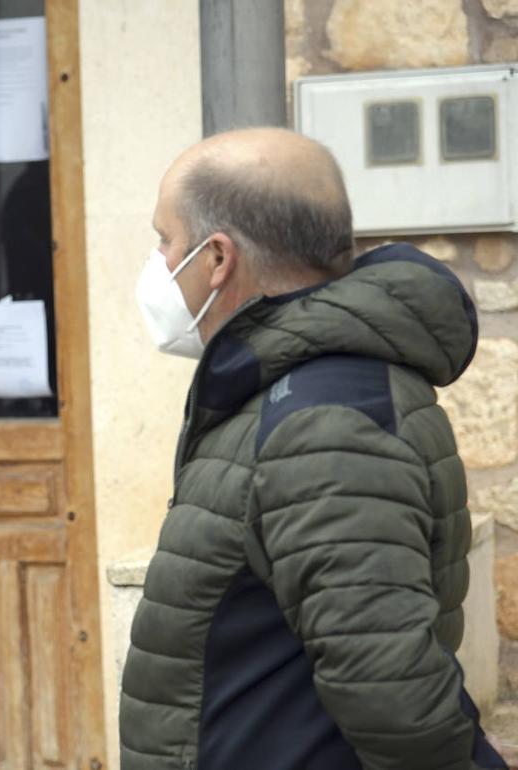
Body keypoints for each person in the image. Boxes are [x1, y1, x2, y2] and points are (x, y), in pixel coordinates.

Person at [120, 127, 506, 770]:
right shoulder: (286, 387)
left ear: (217, 258)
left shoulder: (325, 421)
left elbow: (390, 689)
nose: (158, 261)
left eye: (165, 239)